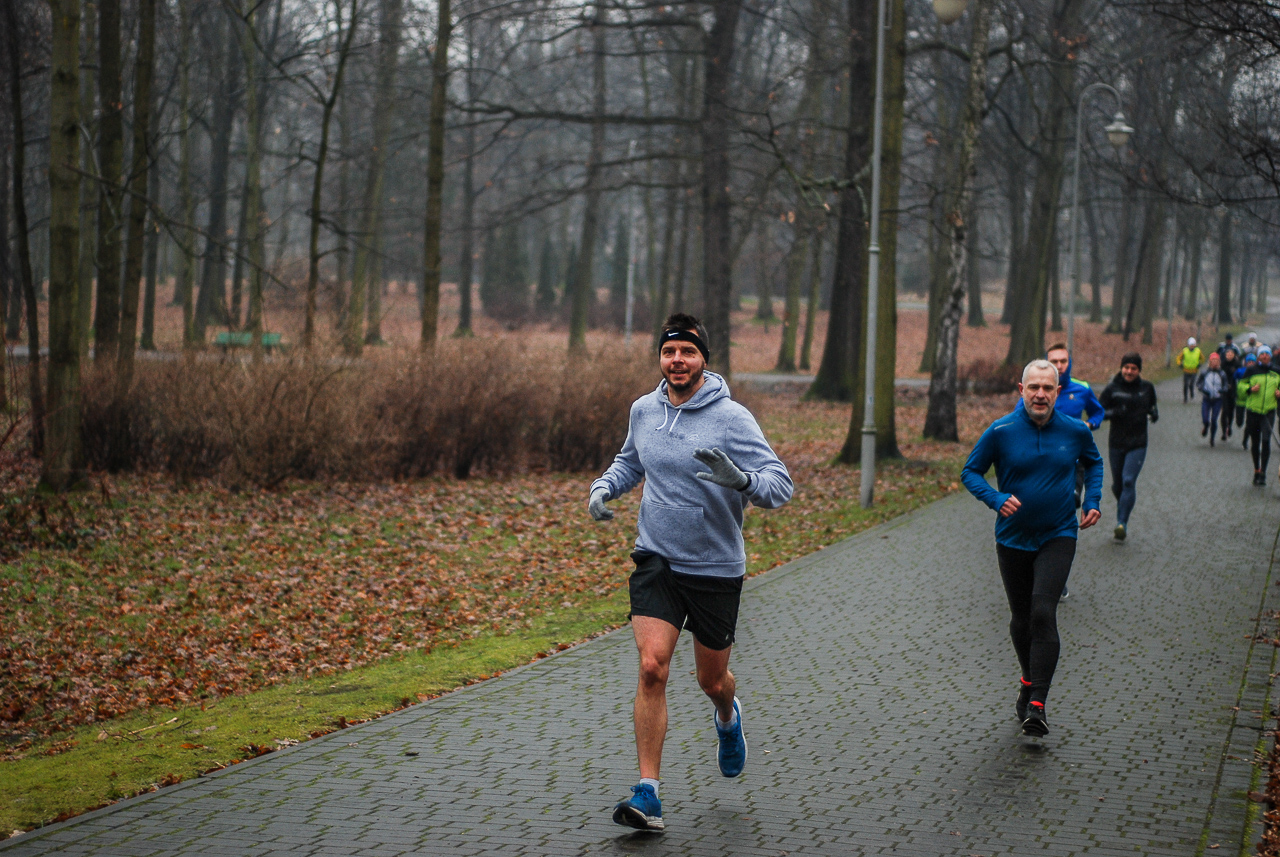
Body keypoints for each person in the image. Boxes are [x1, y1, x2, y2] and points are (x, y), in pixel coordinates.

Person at [589, 312, 793, 832]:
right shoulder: (643, 409)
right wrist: (604, 486)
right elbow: (631, 461)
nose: (677, 360)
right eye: (669, 351)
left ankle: (727, 715)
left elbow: (780, 485)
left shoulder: (732, 418)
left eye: (687, 352)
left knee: (711, 679)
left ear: (703, 358)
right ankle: (649, 794)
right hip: (656, 558)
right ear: (660, 357)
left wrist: (742, 480)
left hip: (715, 567)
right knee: (652, 667)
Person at [962, 359, 1103, 738]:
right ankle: (1028, 680)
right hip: (1012, 538)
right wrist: (994, 498)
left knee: (1043, 611)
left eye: (1048, 388)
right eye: (1034, 387)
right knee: (1021, 619)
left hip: (1059, 534)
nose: (1040, 394)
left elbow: (1093, 463)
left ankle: (1037, 704)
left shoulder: (1075, 430)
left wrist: (1093, 500)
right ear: (1021, 390)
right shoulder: (1001, 431)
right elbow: (970, 472)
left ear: (1058, 392)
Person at [1013, 344, 1102, 601]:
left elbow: (1098, 412)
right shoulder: (1035, 392)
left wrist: (1090, 424)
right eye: (1055, 361)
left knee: (1068, 502)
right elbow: (1016, 422)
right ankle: (1043, 569)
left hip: (1074, 462)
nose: (1060, 365)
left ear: (1069, 363)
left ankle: (1055, 574)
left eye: (1064, 361)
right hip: (1041, 467)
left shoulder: (1082, 389)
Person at [1098, 353, 1159, 541]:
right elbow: (1098, 412)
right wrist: (1115, 412)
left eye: (1133, 368)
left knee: (1128, 481)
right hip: (1116, 443)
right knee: (1118, 485)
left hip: (1138, 443)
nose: (1129, 371)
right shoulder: (1112, 389)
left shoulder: (1147, 388)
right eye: (1126, 368)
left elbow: (1152, 406)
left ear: (1139, 370)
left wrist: (1154, 413)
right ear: (1121, 368)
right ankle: (1123, 506)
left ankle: (1121, 523)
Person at [1238, 345, 1280, 485]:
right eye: (1262, 354)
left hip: (1269, 412)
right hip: (1253, 411)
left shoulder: (1276, 371)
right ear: (1258, 357)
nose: (1265, 356)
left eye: (1267, 354)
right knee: (1255, 442)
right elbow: (1240, 387)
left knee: (1266, 440)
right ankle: (1256, 469)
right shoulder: (1251, 370)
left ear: (1270, 356)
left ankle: (1263, 473)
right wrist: (1250, 389)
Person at [1196, 352, 1229, 447]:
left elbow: (1226, 385)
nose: (1214, 363)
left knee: (1214, 419)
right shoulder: (1205, 372)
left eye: (1216, 361)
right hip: (1206, 399)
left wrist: (1223, 390)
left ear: (1219, 362)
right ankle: (1206, 426)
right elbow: (1198, 383)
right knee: (1205, 418)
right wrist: (1203, 390)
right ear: (1210, 362)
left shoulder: (1222, 374)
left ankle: (1212, 438)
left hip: (1217, 400)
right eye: (1213, 361)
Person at [1218, 345, 1242, 442]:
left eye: (1231, 353)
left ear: (1234, 355)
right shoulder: (1222, 365)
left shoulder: (1237, 364)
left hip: (1233, 390)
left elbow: (1240, 376)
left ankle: (1229, 426)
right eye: (1227, 354)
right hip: (1224, 391)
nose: (1229, 355)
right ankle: (1224, 432)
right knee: (1225, 411)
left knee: (1231, 411)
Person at [1177, 337, 1203, 403]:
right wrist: (1180, 364)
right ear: (1188, 345)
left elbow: (1202, 359)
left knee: (1191, 384)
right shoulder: (1184, 351)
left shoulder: (1198, 351)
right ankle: (1185, 398)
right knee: (1185, 384)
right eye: (1191, 345)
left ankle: (1191, 392)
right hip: (1186, 370)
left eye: (1193, 345)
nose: (1192, 346)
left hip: (1194, 371)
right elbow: (1178, 358)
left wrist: (1200, 364)